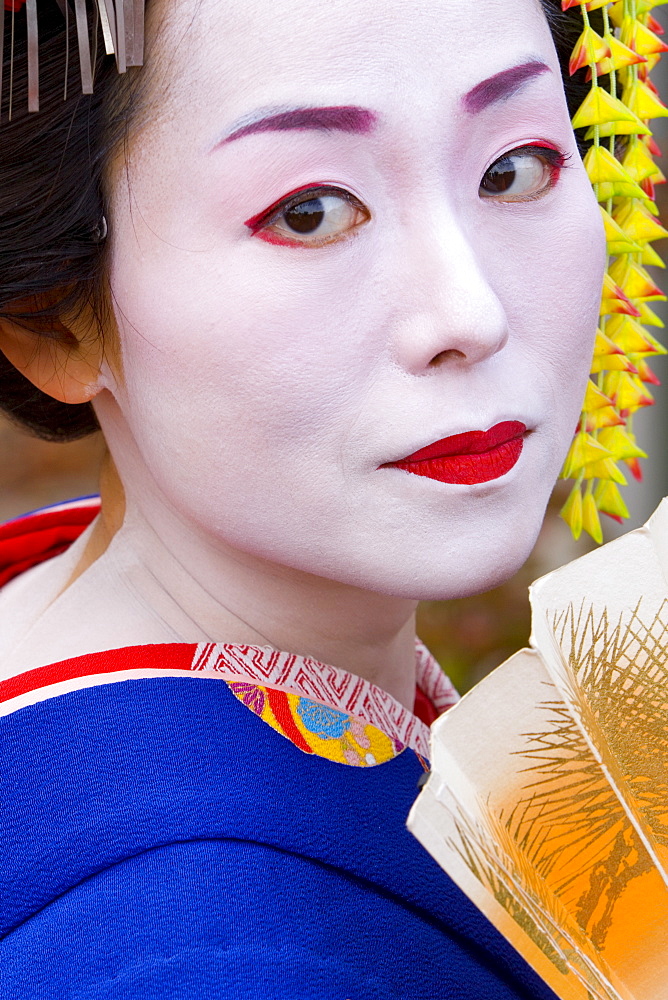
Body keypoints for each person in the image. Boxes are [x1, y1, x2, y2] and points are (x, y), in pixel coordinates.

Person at [0, 0, 650, 996]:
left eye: (511, 168)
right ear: (57, 317)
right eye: (308, 211)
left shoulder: (50, 608)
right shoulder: (214, 962)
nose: (467, 312)